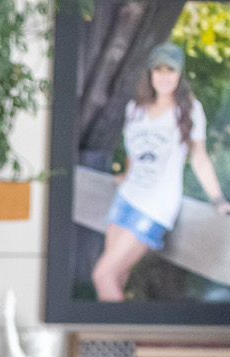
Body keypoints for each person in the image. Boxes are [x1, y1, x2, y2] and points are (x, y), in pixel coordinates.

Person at [92, 42, 230, 301]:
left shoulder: (188, 110)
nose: (165, 77)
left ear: (179, 75)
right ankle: (115, 338)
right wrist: (124, 177)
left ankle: (121, 340)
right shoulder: (135, 110)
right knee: (117, 278)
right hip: (126, 199)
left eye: (171, 70)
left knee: (102, 276)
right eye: (159, 70)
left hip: (154, 207)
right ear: (150, 73)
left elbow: (199, 159)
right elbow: (134, 156)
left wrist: (218, 200)